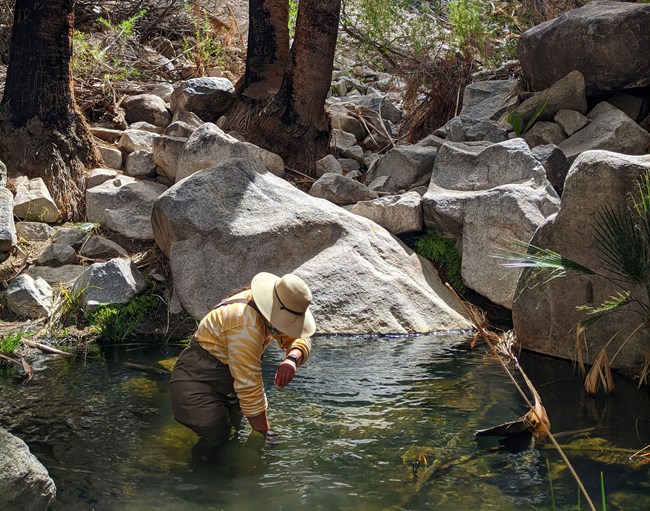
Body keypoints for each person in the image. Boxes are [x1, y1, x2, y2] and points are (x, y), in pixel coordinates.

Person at [170, 272, 316, 445]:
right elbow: (250, 387)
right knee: (217, 437)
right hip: (195, 384)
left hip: (227, 383)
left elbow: (298, 337)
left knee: (234, 435)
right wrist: (265, 435)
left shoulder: (269, 304)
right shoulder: (245, 324)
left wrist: (292, 358)